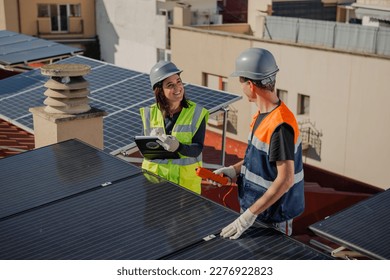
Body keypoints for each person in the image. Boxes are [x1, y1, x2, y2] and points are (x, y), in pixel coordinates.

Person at [211, 48, 304, 239]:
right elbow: (258, 160)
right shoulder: (262, 116)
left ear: (251, 85)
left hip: (272, 220)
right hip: (256, 213)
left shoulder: (280, 126)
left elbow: (286, 180)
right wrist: (233, 170)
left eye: (241, 82)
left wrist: (248, 216)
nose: (242, 87)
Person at [139, 61, 209, 194]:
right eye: (170, 85)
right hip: (155, 184)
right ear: (159, 91)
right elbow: (144, 151)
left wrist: (179, 147)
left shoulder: (197, 113)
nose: (178, 88)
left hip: (185, 187)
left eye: (179, 82)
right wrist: (151, 143)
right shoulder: (149, 113)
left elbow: (197, 149)